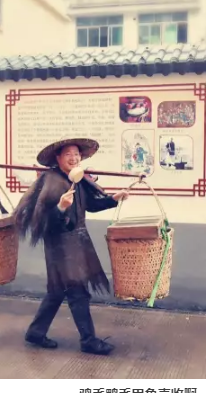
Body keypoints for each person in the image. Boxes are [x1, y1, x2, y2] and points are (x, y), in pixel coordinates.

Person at [14, 137, 129, 355]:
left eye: (76, 154)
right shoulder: (52, 181)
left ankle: (36, 333)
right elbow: (42, 220)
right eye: (68, 154)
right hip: (60, 246)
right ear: (57, 158)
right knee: (78, 291)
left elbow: (90, 205)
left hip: (77, 242)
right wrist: (60, 207)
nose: (74, 158)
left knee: (57, 292)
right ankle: (89, 340)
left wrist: (113, 199)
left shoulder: (77, 178)